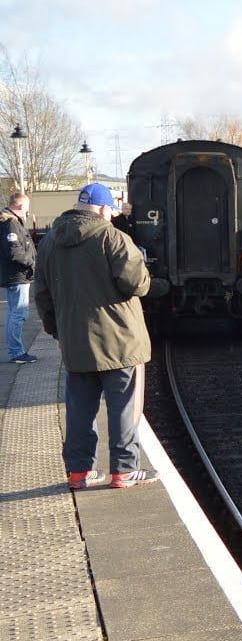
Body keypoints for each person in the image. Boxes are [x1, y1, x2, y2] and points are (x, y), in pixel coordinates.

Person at [33, 183, 159, 490]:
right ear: (103, 209)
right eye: (112, 211)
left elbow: (42, 294)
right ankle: (124, 470)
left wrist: (56, 331)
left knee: (79, 409)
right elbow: (138, 285)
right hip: (120, 341)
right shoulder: (112, 237)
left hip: (75, 340)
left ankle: (79, 472)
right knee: (124, 406)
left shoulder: (50, 241)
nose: (113, 216)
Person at [0, 192, 38, 364]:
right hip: (18, 275)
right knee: (18, 313)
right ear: (21, 206)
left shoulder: (10, 222)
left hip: (17, 274)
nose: (27, 212)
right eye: (27, 208)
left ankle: (16, 351)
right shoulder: (11, 224)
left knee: (16, 312)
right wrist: (32, 263)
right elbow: (14, 252)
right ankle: (16, 352)